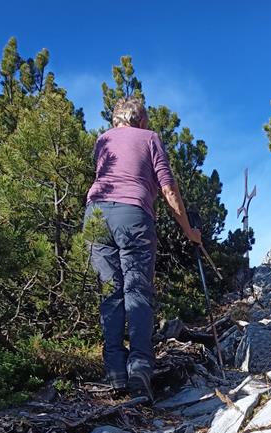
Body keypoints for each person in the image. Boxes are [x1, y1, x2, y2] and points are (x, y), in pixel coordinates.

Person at [85, 96, 201, 401]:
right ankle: (139, 370)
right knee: (136, 290)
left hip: (95, 214)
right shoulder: (150, 138)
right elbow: (167, 187)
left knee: (110, 292)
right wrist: (189, 231)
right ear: (143, 121)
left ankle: (115, 373)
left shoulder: (102, 140)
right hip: (132, 213)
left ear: (115, 121)